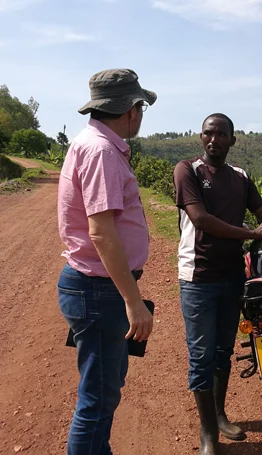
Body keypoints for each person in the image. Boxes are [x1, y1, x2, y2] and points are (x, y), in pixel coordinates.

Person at [173, 113, 262, 454]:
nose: (213, 139)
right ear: (201, 137)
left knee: (222, 352)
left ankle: (218, 414)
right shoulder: (188, 170)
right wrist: (250, 234)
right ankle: (208, 433)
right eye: (207, 133)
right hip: (197, 278)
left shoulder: (241, 177)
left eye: (221, 134)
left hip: (232, 277)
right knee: (201, 356)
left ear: (232, 140)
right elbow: (200, 219)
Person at [57, 68, 156, 454]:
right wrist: (133, 302)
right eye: (141, 107)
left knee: (104, 388)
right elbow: (101, 232)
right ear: (132, 110)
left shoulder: (93, 143)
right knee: (97, 401)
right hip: (99, 292)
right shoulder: (101, 152)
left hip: (97, 287)